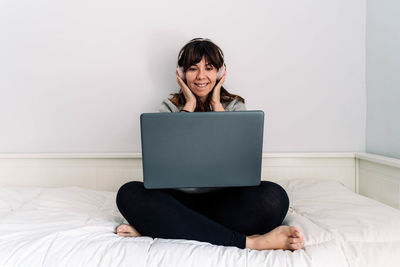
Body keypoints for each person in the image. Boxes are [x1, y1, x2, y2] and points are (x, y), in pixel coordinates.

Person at [116, 38, 305, 251]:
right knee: (128, 193)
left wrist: (216, 105)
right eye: (192, 69)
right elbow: (165, 160)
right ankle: (250, 242)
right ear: (181, 73)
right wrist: (188, 106)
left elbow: (237, 158)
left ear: (220, 72)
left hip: (224, 200)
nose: (201, 76)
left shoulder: (234, 106)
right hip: (178, 199)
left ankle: (165, 227)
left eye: (209, 68)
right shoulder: (169, 108)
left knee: (275, 198)